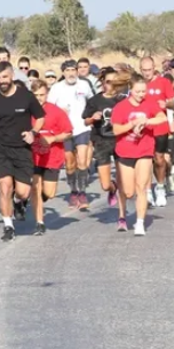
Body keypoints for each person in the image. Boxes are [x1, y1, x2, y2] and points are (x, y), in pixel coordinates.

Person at [0, 62, 45, 241]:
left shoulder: (26, 96)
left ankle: (18, 202)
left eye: (5, 77)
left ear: (12, 76)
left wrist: (33, 133)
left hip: (22, 149)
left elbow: (40, 117)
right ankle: (8, 225)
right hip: (0, 148)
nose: (2, 81)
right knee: (6, 187)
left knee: (23, 192)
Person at [111, 75, 168, 236]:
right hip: (125, 151)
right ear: (131, 90)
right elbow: (116, 130)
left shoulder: (149, 104)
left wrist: (147, 121)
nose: (141, 94)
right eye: (138, 91)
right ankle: (118, 188)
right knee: (129, 192)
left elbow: (162, 117)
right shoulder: (121, 107)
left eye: (143, 91)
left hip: (145, 150)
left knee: (141, 187)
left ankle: (140, 223)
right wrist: (132, 124)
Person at [82, 67, 129, 230]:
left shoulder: (122, 100)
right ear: (102, 83)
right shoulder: (94, 101)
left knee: (124, 181)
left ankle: (122, 217)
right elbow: (85, 121)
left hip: (120, 141)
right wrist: (92, 118)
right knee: (104, 184)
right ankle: (112, 188)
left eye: (115, 82)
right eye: (108, 82)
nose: (111, 86)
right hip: (101, 142)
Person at [48, 59, 95, 209]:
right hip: (65, 132)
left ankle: (82, 192)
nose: (71, 73)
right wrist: (59, 112)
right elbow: (48, 108)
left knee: (82, 161)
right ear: (63, 73)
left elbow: (93, 102)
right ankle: (73, 191)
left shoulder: (84, 85)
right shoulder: (56, 88)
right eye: (67, 71)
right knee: (69, 164)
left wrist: (91, 117)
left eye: (73, 70)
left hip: (82, 129)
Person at [29, 79, 73, 235]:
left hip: (52, 157)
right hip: (33, 157)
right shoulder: (27, 112)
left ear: (47, 94)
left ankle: (37, 199)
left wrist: (52, 139)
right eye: (36, 95)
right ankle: (39, 222)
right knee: (35, 187)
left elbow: (68, 132)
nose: (39, 98)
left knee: (49, 193)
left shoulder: (55, 111)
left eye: (42, 94)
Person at [139, 57, 174, 208]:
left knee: (159, 159)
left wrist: (166, 103)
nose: (147, 73)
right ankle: (147, 191)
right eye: (144, 70)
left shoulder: (163, 82)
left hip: (160, 125)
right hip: (144, 127)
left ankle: (160, 187)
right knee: (145, 160)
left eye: (149, 70)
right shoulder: (138, 84)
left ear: (154, 68)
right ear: (140, 69)